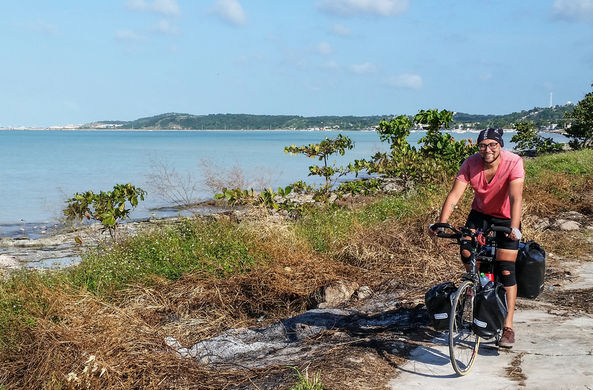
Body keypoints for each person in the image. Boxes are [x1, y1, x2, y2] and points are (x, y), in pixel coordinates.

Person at [429, 127, 524, 348]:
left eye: (493, 145)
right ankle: (476, 282)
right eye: (483, 145)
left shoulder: (514, 162)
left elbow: (515, 197)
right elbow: (455, 194)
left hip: (506, 218)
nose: (487, 149)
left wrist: (514, 227)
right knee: (466, 250)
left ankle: (508, 326)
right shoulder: (470, 163)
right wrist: (442, 222)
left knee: (506, 267)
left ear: (500, 145)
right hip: (479, 216)